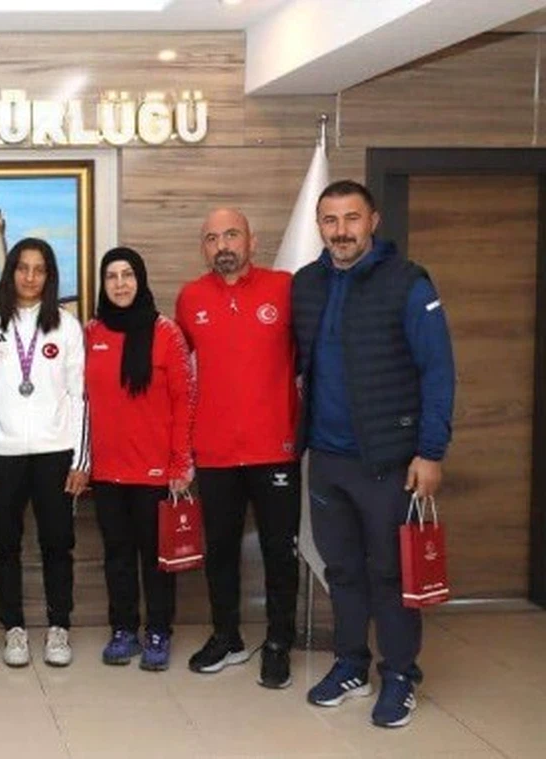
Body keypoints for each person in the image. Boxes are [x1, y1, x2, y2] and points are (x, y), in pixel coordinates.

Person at [292, 180, 455, 728]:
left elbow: (438, 371)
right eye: (330, 220)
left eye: (351, 218)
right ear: (319, 226)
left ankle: (401, 675)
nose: (340, 231)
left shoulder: (407, 283)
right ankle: (350, 666)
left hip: (389, 461)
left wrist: (430, 452)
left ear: (373, 221)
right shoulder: (307, 284)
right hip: (326, 458)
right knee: (342, 570)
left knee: (390, 573)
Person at [176, 208, 300, 689]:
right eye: (212, 238)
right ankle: (226, 637)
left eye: (231, 235)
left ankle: (278, 643)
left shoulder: (285, 288)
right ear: (202, 248)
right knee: (221, 551)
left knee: (278, 552)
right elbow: (182, 373)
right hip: (214, 452)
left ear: (252, 240)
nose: (222, 245)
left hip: (275, 449)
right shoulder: (190, 298)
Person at [0, 237, 89, 667]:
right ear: (10, 273)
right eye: (22, 268)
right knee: (5, 546)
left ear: (49, 276)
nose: (30, 277)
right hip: (0, 454)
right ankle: (14, 629)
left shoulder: (67, 326)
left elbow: (80, 397)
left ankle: (59, 627)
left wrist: (80, 460)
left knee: (57, 544)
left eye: (39, 269)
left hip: (55, 453)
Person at [84, 246, 194, 672]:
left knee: (155, 558)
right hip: (107, 470)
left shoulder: (166, 333)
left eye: (127, 274)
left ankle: (159, 631)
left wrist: (180, 463)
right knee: (117, 555)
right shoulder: (91, 333)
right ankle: (124, 629)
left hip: (155, 472)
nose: (120, 283)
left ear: (140, 279)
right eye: (111, 276)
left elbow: (185, 400)